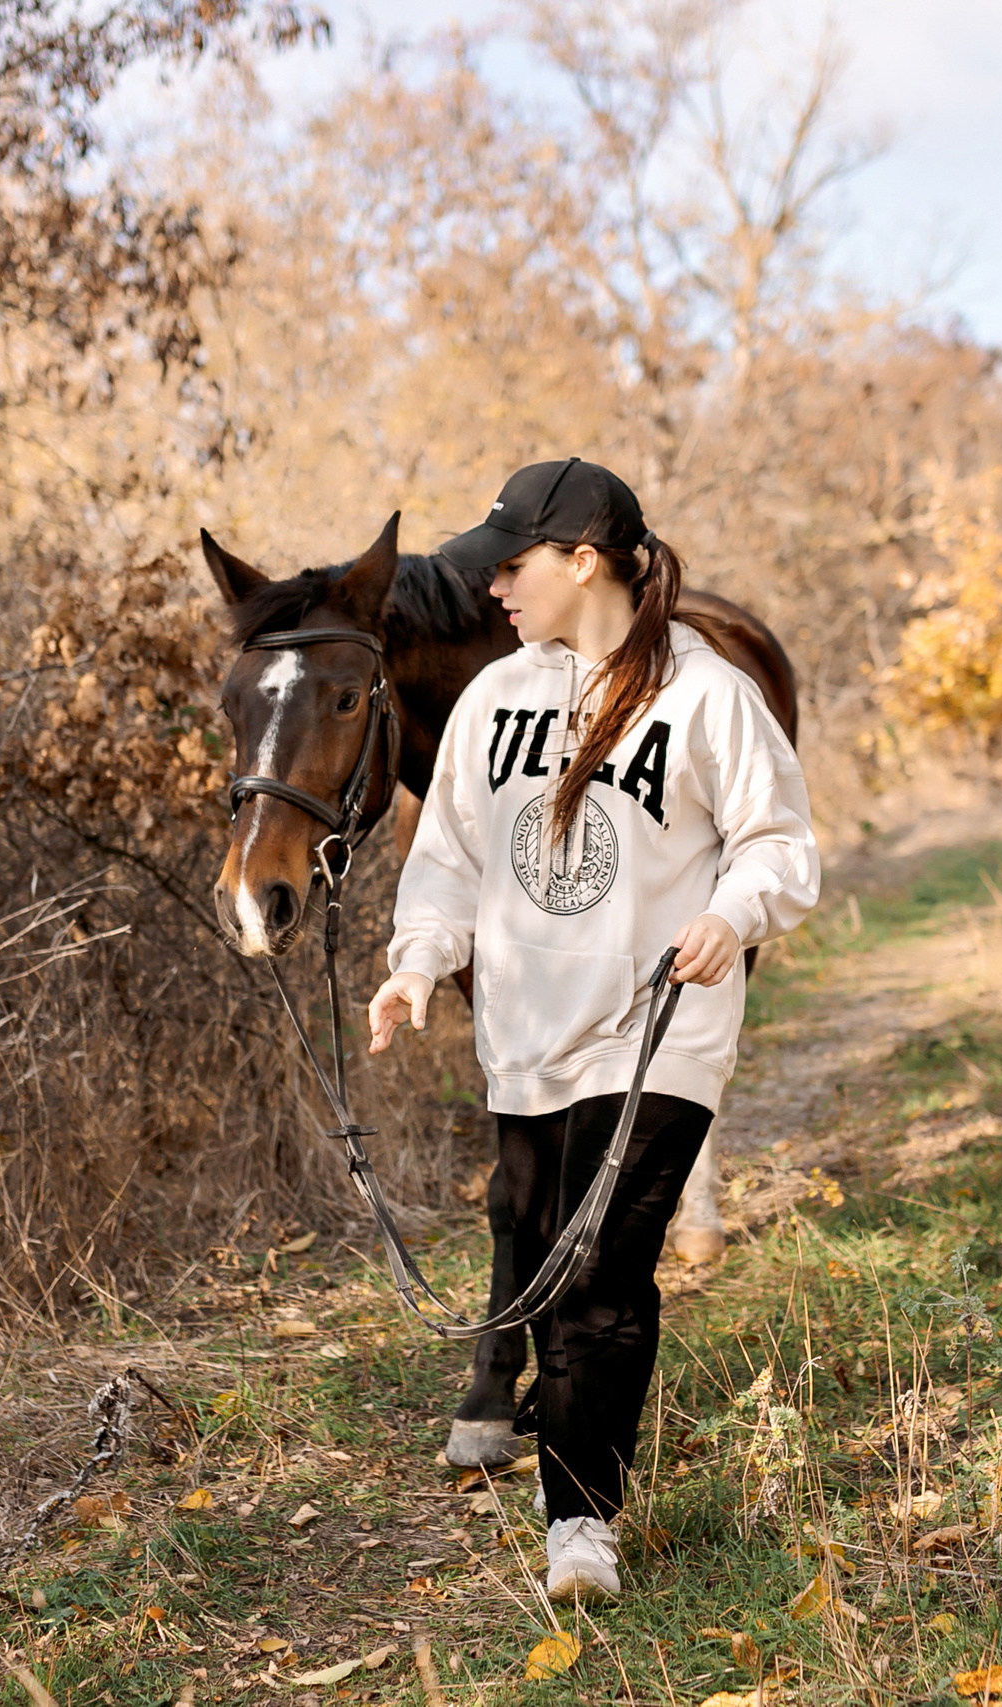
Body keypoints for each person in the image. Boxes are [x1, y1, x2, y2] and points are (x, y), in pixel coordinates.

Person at [367, 458, 819, 1604]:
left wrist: (730, 914)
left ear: (582, 561)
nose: (494, 588)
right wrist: (418, 961)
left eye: (511, 565)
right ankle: (575, 1496)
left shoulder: (705, 694)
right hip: (525, 1035)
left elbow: (779, 846)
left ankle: (580, 1525)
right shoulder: (493, 700)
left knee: (601, 1273)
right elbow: (449, 858)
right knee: (537, 1244)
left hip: (660, 1028)